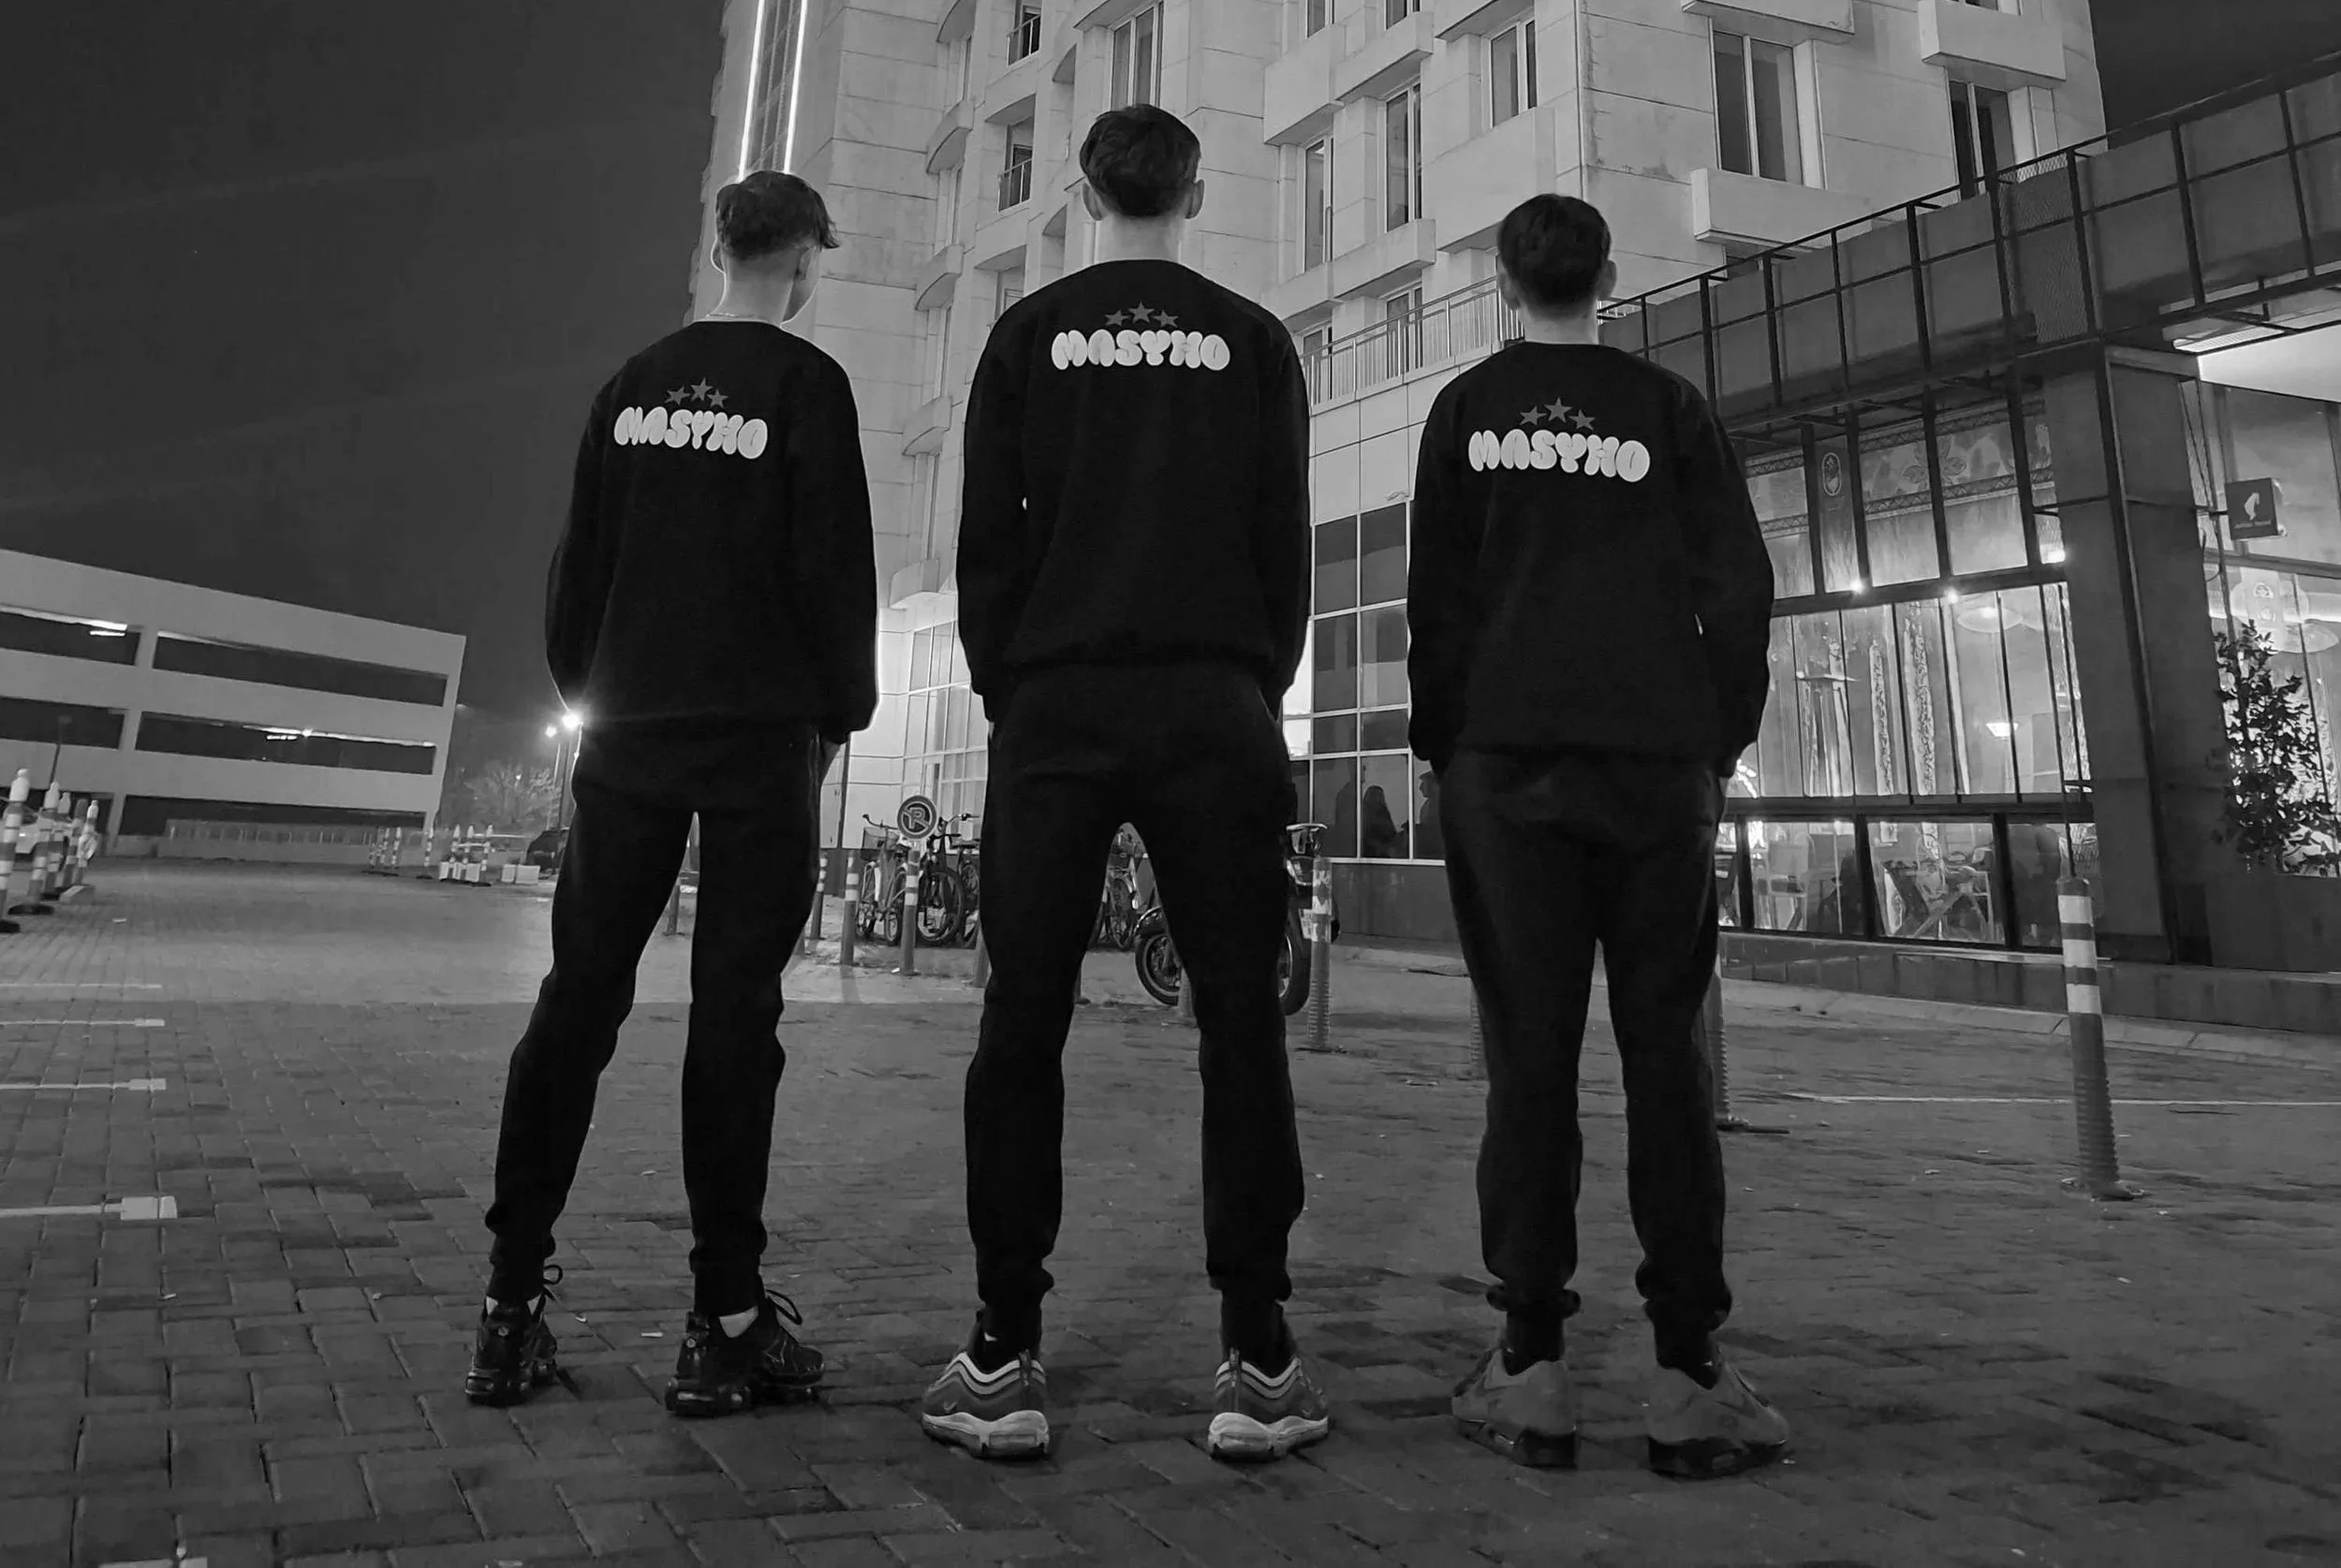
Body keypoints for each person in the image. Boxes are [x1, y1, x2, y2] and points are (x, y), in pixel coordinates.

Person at [920, 104, 1326, 1467]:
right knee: (1241, 1023)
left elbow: (989, 537)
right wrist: (1248, 684)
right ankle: (1259, 1354)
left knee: (1022, 1019)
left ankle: (1000, 1349)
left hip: (1062, 702)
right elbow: (1285, 542)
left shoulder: (1030, 339)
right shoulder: (1253, 341)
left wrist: (1013, 683)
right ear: (1196, 192)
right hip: (1214, 699)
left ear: (1085, 195)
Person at [466, 169, 876, 1419]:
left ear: (721, 247)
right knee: (735, 1019)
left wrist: (604, 686)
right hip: (758, 746)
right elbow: (834, 572)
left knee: (574, 1006)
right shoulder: (807, 388)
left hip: (635, 737)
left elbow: (575, 571)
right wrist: (834, 717)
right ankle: (724, 1321)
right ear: (803, 263)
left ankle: (508, 1308)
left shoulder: (632, 385)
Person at [1406, 193, 1784, 1481]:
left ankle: (1533, 1367)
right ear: (1608, 279)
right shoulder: (1668, 411)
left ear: (1502, 283)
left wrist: (1451, 743)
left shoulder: (1464, 412)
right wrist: (1714, 737)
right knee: (1667, 1061)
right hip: (1651, 769)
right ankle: (1689, 1376)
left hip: (1510, 772)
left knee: (1530, 1059)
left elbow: (1438, 601)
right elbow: (1737, 585)